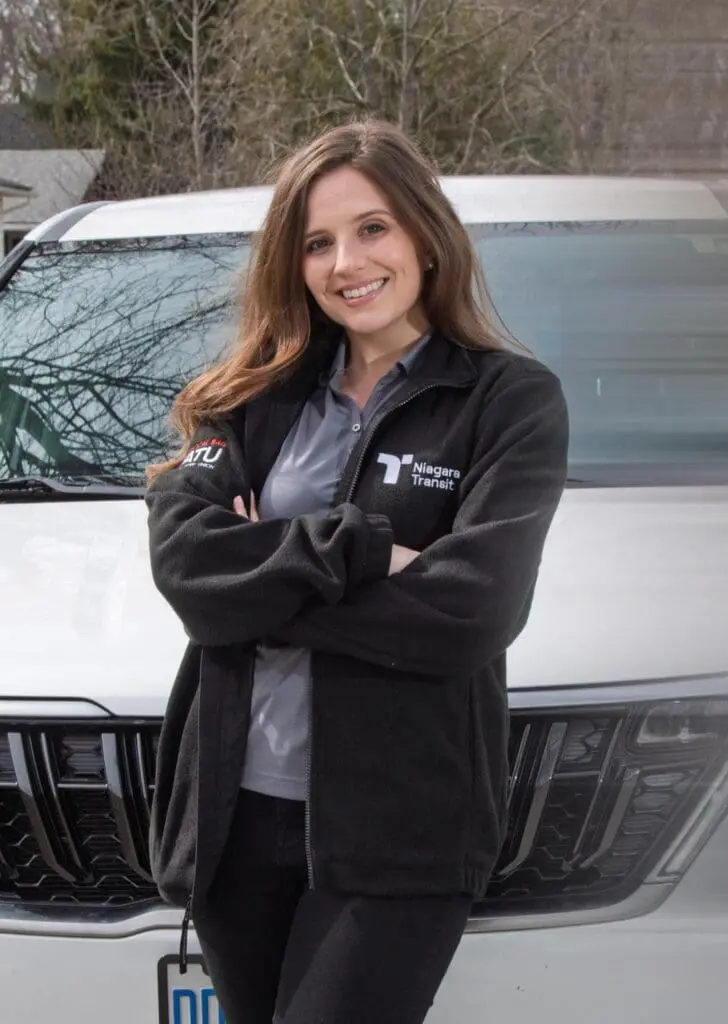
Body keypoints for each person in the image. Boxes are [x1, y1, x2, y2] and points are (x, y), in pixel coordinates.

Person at [144, 118, 569, 1024]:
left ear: (423, 233)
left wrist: (258, 586)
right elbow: (188, 569)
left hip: (400, 834)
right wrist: (370, 551)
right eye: (318, 243)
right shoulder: (246, 396)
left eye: (372, 228)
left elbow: (474, 608)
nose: (348, 262)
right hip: (235, 821)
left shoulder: (508, 399)